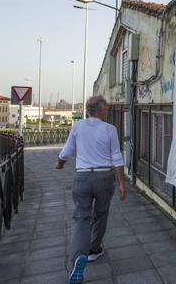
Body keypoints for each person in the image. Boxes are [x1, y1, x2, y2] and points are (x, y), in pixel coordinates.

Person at [55, 96, 127, 284]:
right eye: (107, 108)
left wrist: (60, 163)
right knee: (100, 214)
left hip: (82, 177)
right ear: (100, 110)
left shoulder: (78, 127)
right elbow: (116, 157)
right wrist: (121, 183)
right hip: (104, 177)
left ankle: (79, 255)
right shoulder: (110, 129)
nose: (108, 110)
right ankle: (94, 250)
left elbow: (68, 149)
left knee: (81, 217)